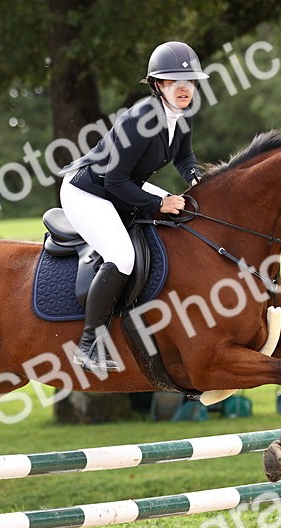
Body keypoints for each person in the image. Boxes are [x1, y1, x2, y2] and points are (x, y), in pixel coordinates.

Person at [60, 41, 208, 372]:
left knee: (184, 213)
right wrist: (159, 203)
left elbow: (184, 156)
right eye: (174, 82)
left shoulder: (180, 118)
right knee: (122, 256)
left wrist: (197, 178)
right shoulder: (141, 119)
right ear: (159, 85)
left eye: (190, 82)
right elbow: (114, 183)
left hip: (122, 185)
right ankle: (88, 344)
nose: (184, 89)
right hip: (87, 192)